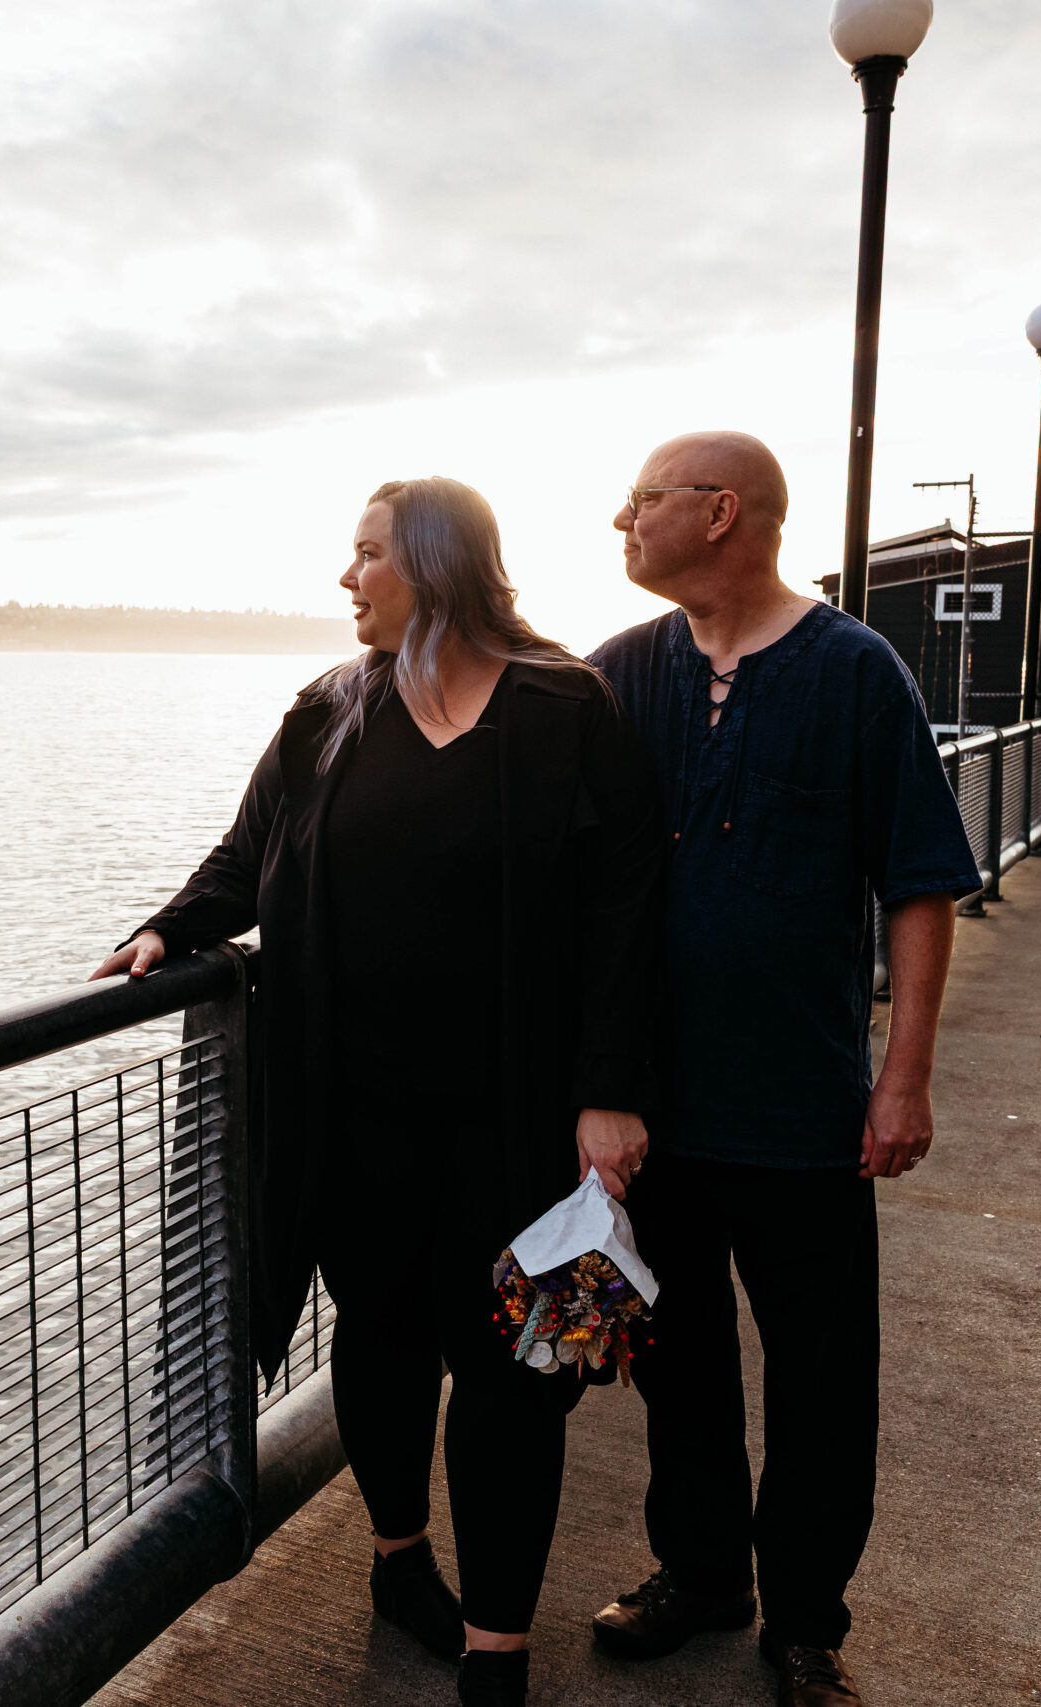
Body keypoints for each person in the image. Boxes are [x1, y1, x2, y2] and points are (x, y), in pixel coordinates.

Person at [91, 477, 664, 1707]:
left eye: (365, 555)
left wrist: (609, 1094)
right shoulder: (327, 712)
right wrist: (168, 928)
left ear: (438, 565)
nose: (345, 579)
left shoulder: (564, 707)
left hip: (522, 1117)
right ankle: (399, 1562)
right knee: (383, 1341)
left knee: (523, 1371)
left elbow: (626, 911)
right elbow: (245, 859)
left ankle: (498, 1649)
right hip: (353, 1116)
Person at [585, 433, 981, 1707]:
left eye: (641, 501)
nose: (620, 521)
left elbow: (920, 882)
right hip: (655, 1112)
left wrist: (903, 1077)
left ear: (719, 510)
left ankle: (804, 1621)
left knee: (822, 1381)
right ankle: (702, 1575)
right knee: (678, 1364)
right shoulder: (617, 676)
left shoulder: (856, 674)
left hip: (805, 1108)